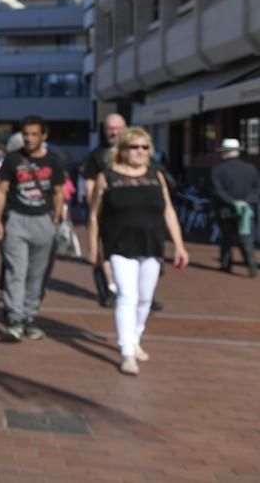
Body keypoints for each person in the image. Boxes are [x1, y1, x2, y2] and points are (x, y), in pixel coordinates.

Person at [88, 127, 189, 375]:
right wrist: (93, 247)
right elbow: (94, 216)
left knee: (145, 298)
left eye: (145, 147)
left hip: (152, 244)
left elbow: (168, 211)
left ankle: (134, 337)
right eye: (134, 147)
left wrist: (179, 244)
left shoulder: (156, 175)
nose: (140, 152)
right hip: (119, 245)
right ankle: (127, 352)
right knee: (127, 296)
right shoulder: (107, 177)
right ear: (121, 150)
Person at [0, 118, 64, 341]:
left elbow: (59, 191)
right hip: (17, 221)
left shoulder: (53, 160)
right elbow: (1, 191)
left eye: (34, 134)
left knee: (37, 274)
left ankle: (29, 317)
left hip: (43, 221)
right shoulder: (13, 159)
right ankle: (14, 319)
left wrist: (56, 219)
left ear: (44, 136)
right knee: (16, 271)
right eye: (26, 134)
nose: (29, 139)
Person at [81, 113, 127, 308]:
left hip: (131, 210)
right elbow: (89, 182)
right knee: (105, 251)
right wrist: (93, 206)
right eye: (110, 128)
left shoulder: (136, 150)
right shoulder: (97, 154)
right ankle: (110, 289)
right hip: (106, 209)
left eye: (118, 128)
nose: (114, 132)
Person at [210, 138, 260, 276]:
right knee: (246, 238)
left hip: (226, 209)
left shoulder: (218, 170)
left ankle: (226, 264)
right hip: (247, 210)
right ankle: (251, 265)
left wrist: (232, 202)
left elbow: (217, 190)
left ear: (224, 152)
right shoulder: (250, 168)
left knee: (226, 238)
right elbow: (257, 189)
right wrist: (246, 202)